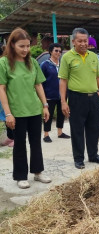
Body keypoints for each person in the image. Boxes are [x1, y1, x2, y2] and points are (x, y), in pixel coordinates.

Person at [0, 27, 52, 189]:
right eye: (21, 46)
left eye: (28, 46)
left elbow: (38, 85)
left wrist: (45, 105)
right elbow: (1, 89)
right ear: (12, 45)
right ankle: (21, 176)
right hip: (16, 112)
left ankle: (38, 172)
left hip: (34, 109)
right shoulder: (4, 63)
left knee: (36, 142)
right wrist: (8, 113)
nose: (25, 49)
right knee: (20, 144)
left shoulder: (33, 62)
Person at [59, 28, 99, 169]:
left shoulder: (93, 57)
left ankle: (93, 155)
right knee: (77, 130)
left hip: (93, 97)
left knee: (94, 128)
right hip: (76, 98)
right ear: (73, 41)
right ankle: (79, 158)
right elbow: (63, 80)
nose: (83, 43)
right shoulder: (67, 57)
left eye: (85, 41)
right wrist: (63, 102)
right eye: (80, 41)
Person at [40, 43, 70, 143]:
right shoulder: (45, 64)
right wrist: (43, 95)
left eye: (60, 51)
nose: (58, 53)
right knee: (49, 114)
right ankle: (46, 134)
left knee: (62, 113)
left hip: (61, 95)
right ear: (51, 51)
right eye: (56, 50)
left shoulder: (62, 65)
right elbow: (40, 81)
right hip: (49, 95)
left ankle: (60, 132)